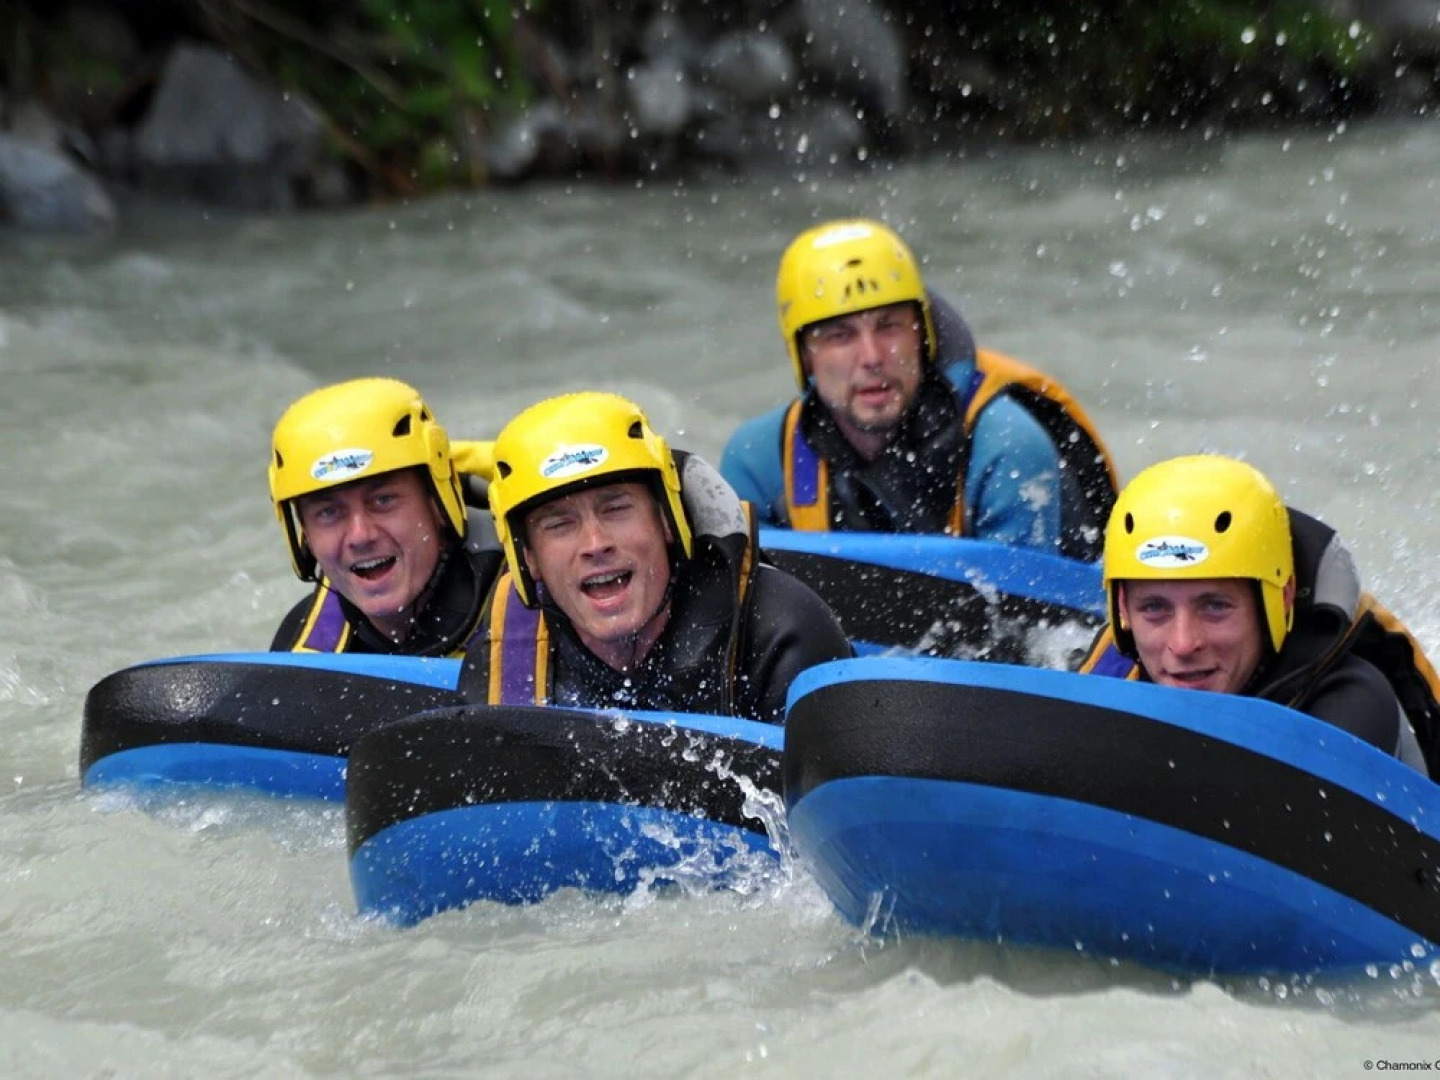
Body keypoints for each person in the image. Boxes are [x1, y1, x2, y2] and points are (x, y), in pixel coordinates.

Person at [720, 217, 1118, 561]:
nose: (872, 356)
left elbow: (1028, 630)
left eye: (889, 326)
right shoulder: (758, 462)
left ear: (923, 336)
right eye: (841, 336)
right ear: (805, 356)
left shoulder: (1007, 447)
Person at [464, 390, 854, 724]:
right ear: (528, 559)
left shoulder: (783, 636)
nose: (595, 543)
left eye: (616, 508)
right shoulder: (502, 657)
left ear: (668, 523)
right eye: (559, 525)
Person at [1079, 454, 1439, 775]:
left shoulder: (1352, 707)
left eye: (1215, 607)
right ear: (1123, 609)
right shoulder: (1112, 673)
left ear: (1280, 600)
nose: (1184, 644)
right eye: (1155, 608)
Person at [268, 377, 502, 655]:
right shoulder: (300, 644)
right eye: (328, 512)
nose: (360, 536)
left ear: (439, 505)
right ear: (306, 537)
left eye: (383, 500)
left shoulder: (542, 607)